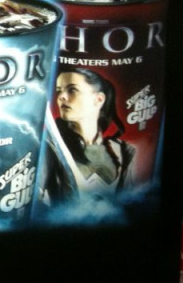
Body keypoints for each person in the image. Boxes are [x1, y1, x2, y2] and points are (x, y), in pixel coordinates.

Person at [43, 66, 135, 201]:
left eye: (72, 90)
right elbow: (36, 199)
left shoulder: (124, 150)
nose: (61, 97)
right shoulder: (50, 145)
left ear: (99, 99)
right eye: (59, 91)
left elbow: (131, 201)